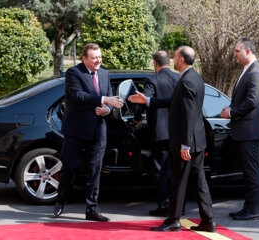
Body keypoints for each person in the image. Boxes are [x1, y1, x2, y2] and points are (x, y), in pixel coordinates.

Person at [129, 46, 215, 232]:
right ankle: (208, 221)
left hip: (188, 143)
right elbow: (174, 102)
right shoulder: (193, 78)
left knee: (178, 181)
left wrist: (185, 144)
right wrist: (148, 101)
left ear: (182, 60)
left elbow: (189, 115)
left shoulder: (186, 81)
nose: (173, 60)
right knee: (199, 182)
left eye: (175, 57)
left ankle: (173, 220)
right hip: (197, 140)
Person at [53, 43, 123, 221]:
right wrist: (103, 100)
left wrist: (106, 109)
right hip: (76, 129)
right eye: (94, 58)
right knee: (68, 167)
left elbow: (109, 101)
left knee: (95, 170)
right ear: (84, 59)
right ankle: (61, 201)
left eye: (99, 57)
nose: (98, 60)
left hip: (98, 130)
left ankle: (92, 209)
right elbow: (78, 96)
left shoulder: (105, 73)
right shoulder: (74, 73)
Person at [221, 38, 259, 221]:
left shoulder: (256, 72)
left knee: (252, 171)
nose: (235, 54)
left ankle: (254, 210)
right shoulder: (248, 70)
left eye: (237, 51)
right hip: (244, 130)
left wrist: (232, 112)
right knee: (248, 173)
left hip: (249, 131)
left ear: (248, 51)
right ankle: (247, 208)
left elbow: (252, 101)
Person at [133, 50, 179, 216]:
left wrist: (136, 117)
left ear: (155, 63)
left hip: (160, 133)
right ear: (169, 61)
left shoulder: (152, 80)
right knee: (177, 170)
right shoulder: (179, 79)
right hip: (178, 132)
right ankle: (178, 205)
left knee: (161, 170)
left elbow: (144, 100)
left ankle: (164, 206)